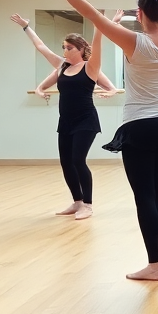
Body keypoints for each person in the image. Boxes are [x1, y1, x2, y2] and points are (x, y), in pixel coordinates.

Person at [26, 0, 158, 293]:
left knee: (145, 198)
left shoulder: (134, 41)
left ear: (140, 14)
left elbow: (92, 14)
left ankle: (155, 265)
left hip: (139, 127)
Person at [32, 23, 106, 220]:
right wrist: (26, 27)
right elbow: (41, 47)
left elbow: (98, 46)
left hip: (86, 120)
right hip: (66, 121)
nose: (65, 51)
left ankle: (88, 205)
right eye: (64, 47)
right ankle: (77, 201)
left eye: (69, 47)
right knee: (66, 162)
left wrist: (101, 24)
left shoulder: (90, 67)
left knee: (77, 160)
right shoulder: (62, 67)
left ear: (81, 49)